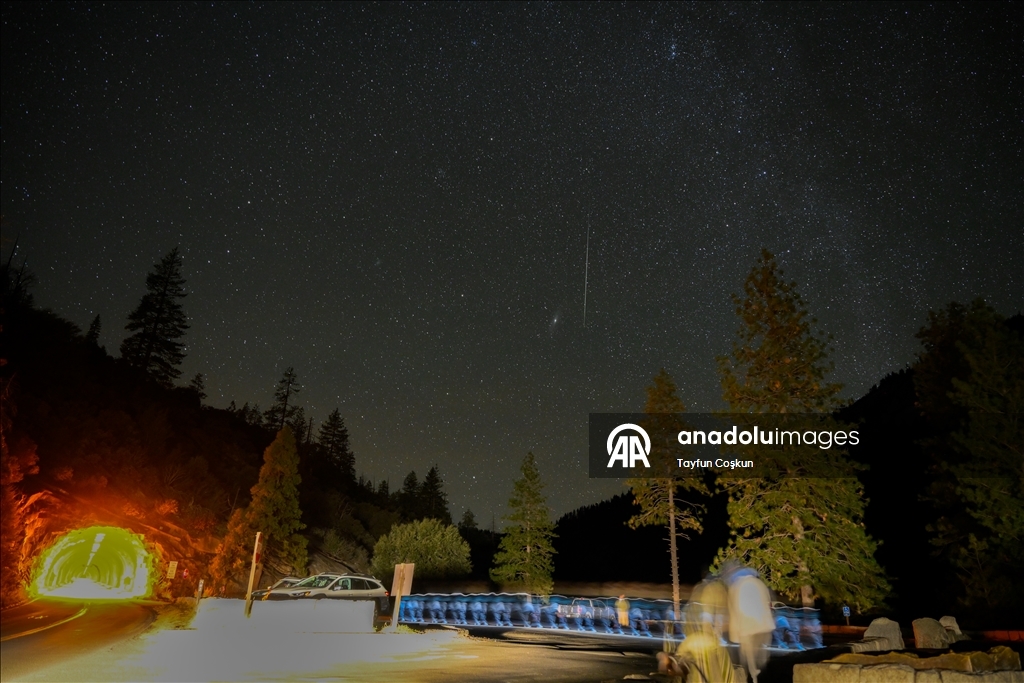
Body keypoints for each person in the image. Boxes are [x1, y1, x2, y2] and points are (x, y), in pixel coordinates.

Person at [722, 561, 774, 683]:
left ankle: (754, 678)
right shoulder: (759, 583)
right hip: (765, 628)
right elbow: (768, 603)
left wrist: (735, 637)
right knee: (761, 663)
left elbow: (735, 612)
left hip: (748, 631)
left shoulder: (735, 587)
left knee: (750, 666)